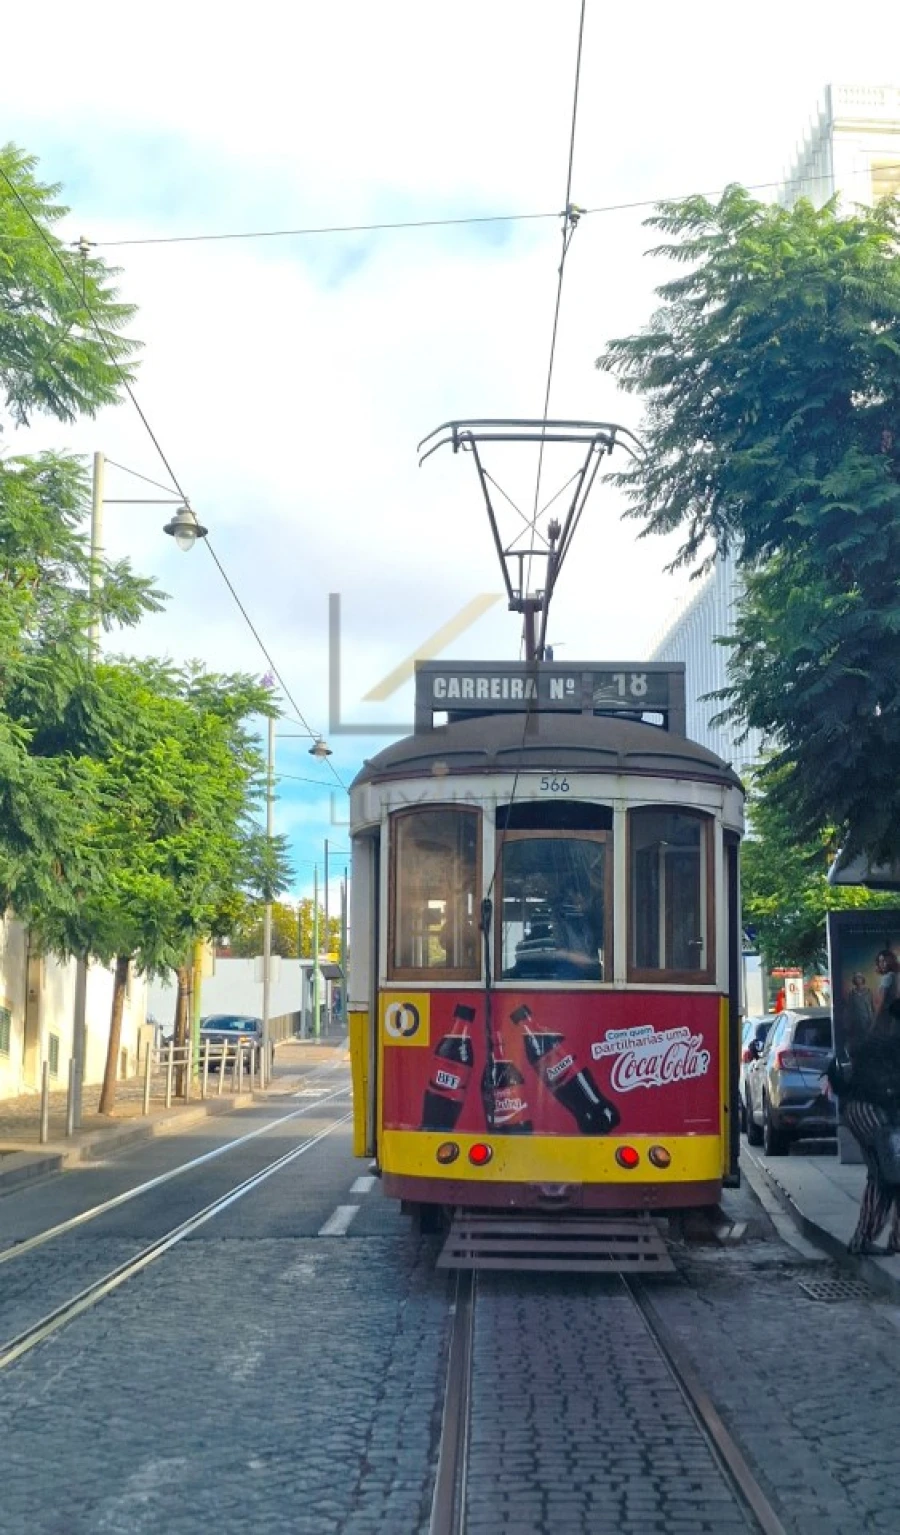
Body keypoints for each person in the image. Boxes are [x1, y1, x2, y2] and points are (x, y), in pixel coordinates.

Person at [827, 999, 900, 1256]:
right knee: (886, 1175)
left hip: (860, 1108)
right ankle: (863, 1240)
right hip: (871, 1110)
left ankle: (888, 1239)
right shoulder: (891, 1044)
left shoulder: (878, 1037)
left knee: (890, 1173)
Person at [844, 972, 876, 1054]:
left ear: (862, 979)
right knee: (857, 1041)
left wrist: (873, 1019)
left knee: (867, 1039)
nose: (858, 979)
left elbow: (872, 1006)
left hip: (867, 1020)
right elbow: (849, 1009)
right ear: (854, 980)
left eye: (859, 977)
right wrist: (848, 1022)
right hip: (856, 1021)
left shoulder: (868, 992)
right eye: (856, 978)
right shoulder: (852, 993)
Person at [872, 949, 900, 1031]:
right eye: (880, 961)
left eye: (884, 961)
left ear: (890, 961)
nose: (881, 964)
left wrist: (873, 1025)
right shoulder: (895, 975)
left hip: (886, 1015)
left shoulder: (887, 977)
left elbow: (881, 1003)